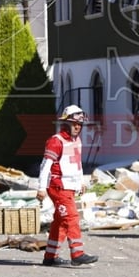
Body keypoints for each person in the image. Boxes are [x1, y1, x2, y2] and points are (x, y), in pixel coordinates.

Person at [36, 105, 98, 267]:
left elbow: (77, 164)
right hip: (58, 186)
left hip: (69, 187)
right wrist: (41, 188)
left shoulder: (76, 141)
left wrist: (81, 182)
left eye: (80, 124)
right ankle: (77, 253)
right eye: (74, 124)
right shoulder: (56, 141)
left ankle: (50, 256)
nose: (77, 127)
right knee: (71, 217)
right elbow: (45, 166)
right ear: (66, 123)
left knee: (60, 221)